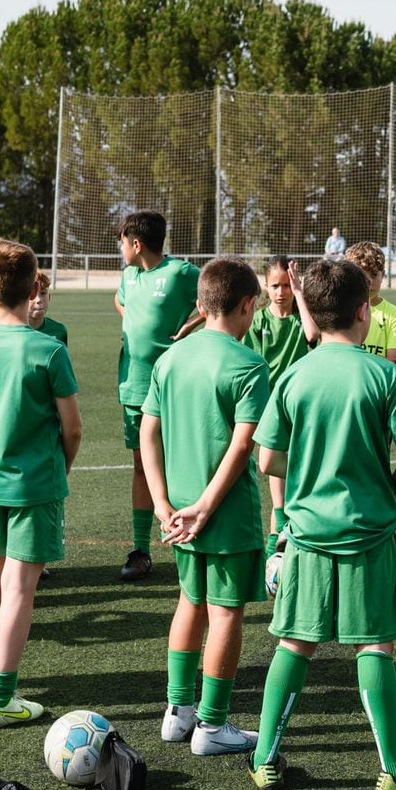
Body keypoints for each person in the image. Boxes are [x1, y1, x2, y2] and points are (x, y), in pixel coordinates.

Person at [249, 258, 396, 790]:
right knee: (374, 647)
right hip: (369, 536)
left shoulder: (293, 375)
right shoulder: (384, 375)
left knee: (294, 644)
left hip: (307, 536)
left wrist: (308, 477)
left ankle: (264, 759)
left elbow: (267, 460)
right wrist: (386, 486)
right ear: (364, 311)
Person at [144, 258, 271, 757]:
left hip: (177, 515)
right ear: (247, 305)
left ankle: (178, 713)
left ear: (200, 305)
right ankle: (213, 726)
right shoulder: (248, 363)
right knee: (225, 615)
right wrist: (206, 507)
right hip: (225, 516)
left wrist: (163, 503)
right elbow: (243, 447)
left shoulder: (170, 358)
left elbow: (148, 434)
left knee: (189, 603)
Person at [0, 240, 81, 728]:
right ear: (33, 289)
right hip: (35, 487)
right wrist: (59, 468)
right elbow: (72, 428)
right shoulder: (48, 349)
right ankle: (1, 697)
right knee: (19, 589)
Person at [114, 211, 202, 583]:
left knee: (182, 465)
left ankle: (191, 540)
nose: (120, 249)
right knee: (142, 466)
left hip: (173, 388)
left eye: (122, 242)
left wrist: (189, 326)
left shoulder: (181, 274)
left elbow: (220, 296)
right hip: (134, 387)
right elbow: (120, 302)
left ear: (136, 244)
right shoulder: (129, 275)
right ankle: (141, 550)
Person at [242, 255, 313, 549]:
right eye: (275, 285)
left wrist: (301, 293)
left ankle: (291, 530)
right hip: (271, 405)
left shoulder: (302, 319)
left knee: (300, 466)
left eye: (286, 285)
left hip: (301, 403)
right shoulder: (258, 322)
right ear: (265, 287)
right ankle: (277, 535)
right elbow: (249, 362)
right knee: (274, 465)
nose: (281, 292)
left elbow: (313, 335)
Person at [344, 241, 396, 369]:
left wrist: (357, 365)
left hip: (379, 387)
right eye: (362, 275)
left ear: (383, 275)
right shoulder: (338, 309)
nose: (369, 282)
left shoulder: (394, 315)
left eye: (374, 275)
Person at [29, 269, 69, 346]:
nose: (38, 300)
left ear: (49, 297)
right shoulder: (12, 332)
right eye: (32, 294)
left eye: (43, 293)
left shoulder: (59, 330)